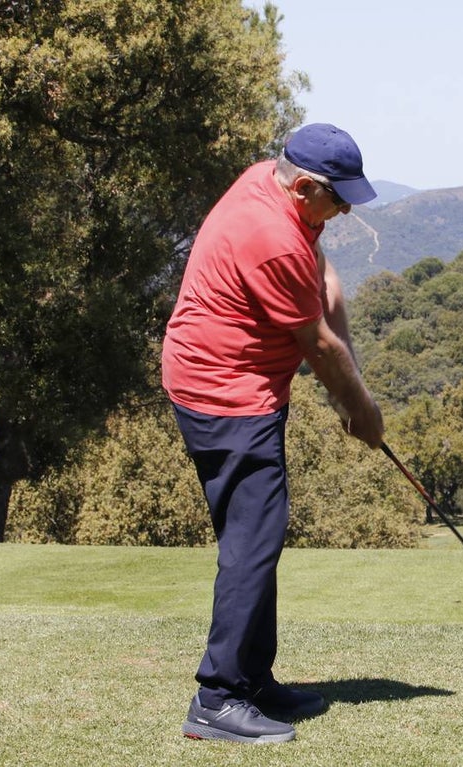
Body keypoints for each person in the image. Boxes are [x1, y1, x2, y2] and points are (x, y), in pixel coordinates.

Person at [162, 123, 384, 744]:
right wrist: (361, 409)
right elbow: (317, 345)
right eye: (339, 198)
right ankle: (217, 699)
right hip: (224, 394)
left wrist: (353, 392)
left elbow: (325, 283)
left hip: (235, 384)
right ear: (305, 185)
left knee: (258, 533)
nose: (345, 212)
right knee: (252, 540)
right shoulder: (272, 236)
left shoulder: (271, 182)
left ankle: (253, 680)